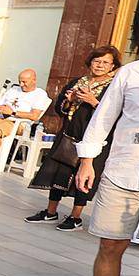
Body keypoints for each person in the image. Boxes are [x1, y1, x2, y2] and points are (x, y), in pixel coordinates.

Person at [70, 55, 139, 276]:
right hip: (123, 170)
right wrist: (87, 159)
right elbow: (104, 116)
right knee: (110, 246)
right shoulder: (131, 74)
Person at [29, 47, 120, 231]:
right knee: (59, 172)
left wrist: (94, 101)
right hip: (69, 135)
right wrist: (69, 100)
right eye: (97, 61)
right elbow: (59, 108)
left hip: (94, 140)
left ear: (112, 66)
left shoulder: (113, 87)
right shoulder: (78, 82)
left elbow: (115, 114)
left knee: (84, 178)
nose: (100, 65)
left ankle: (75, 216)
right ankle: (50, 211)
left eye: (105, 62)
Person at [0, 69, 50, 168]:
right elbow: (1, 104)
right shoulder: (14, 89)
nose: (21, 84)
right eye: (20, 81)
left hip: (18, 122)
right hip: (0, 117)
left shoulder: (40, 94)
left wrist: (12, 112)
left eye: (24, 82)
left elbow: (34, 116)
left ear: (34, 80)